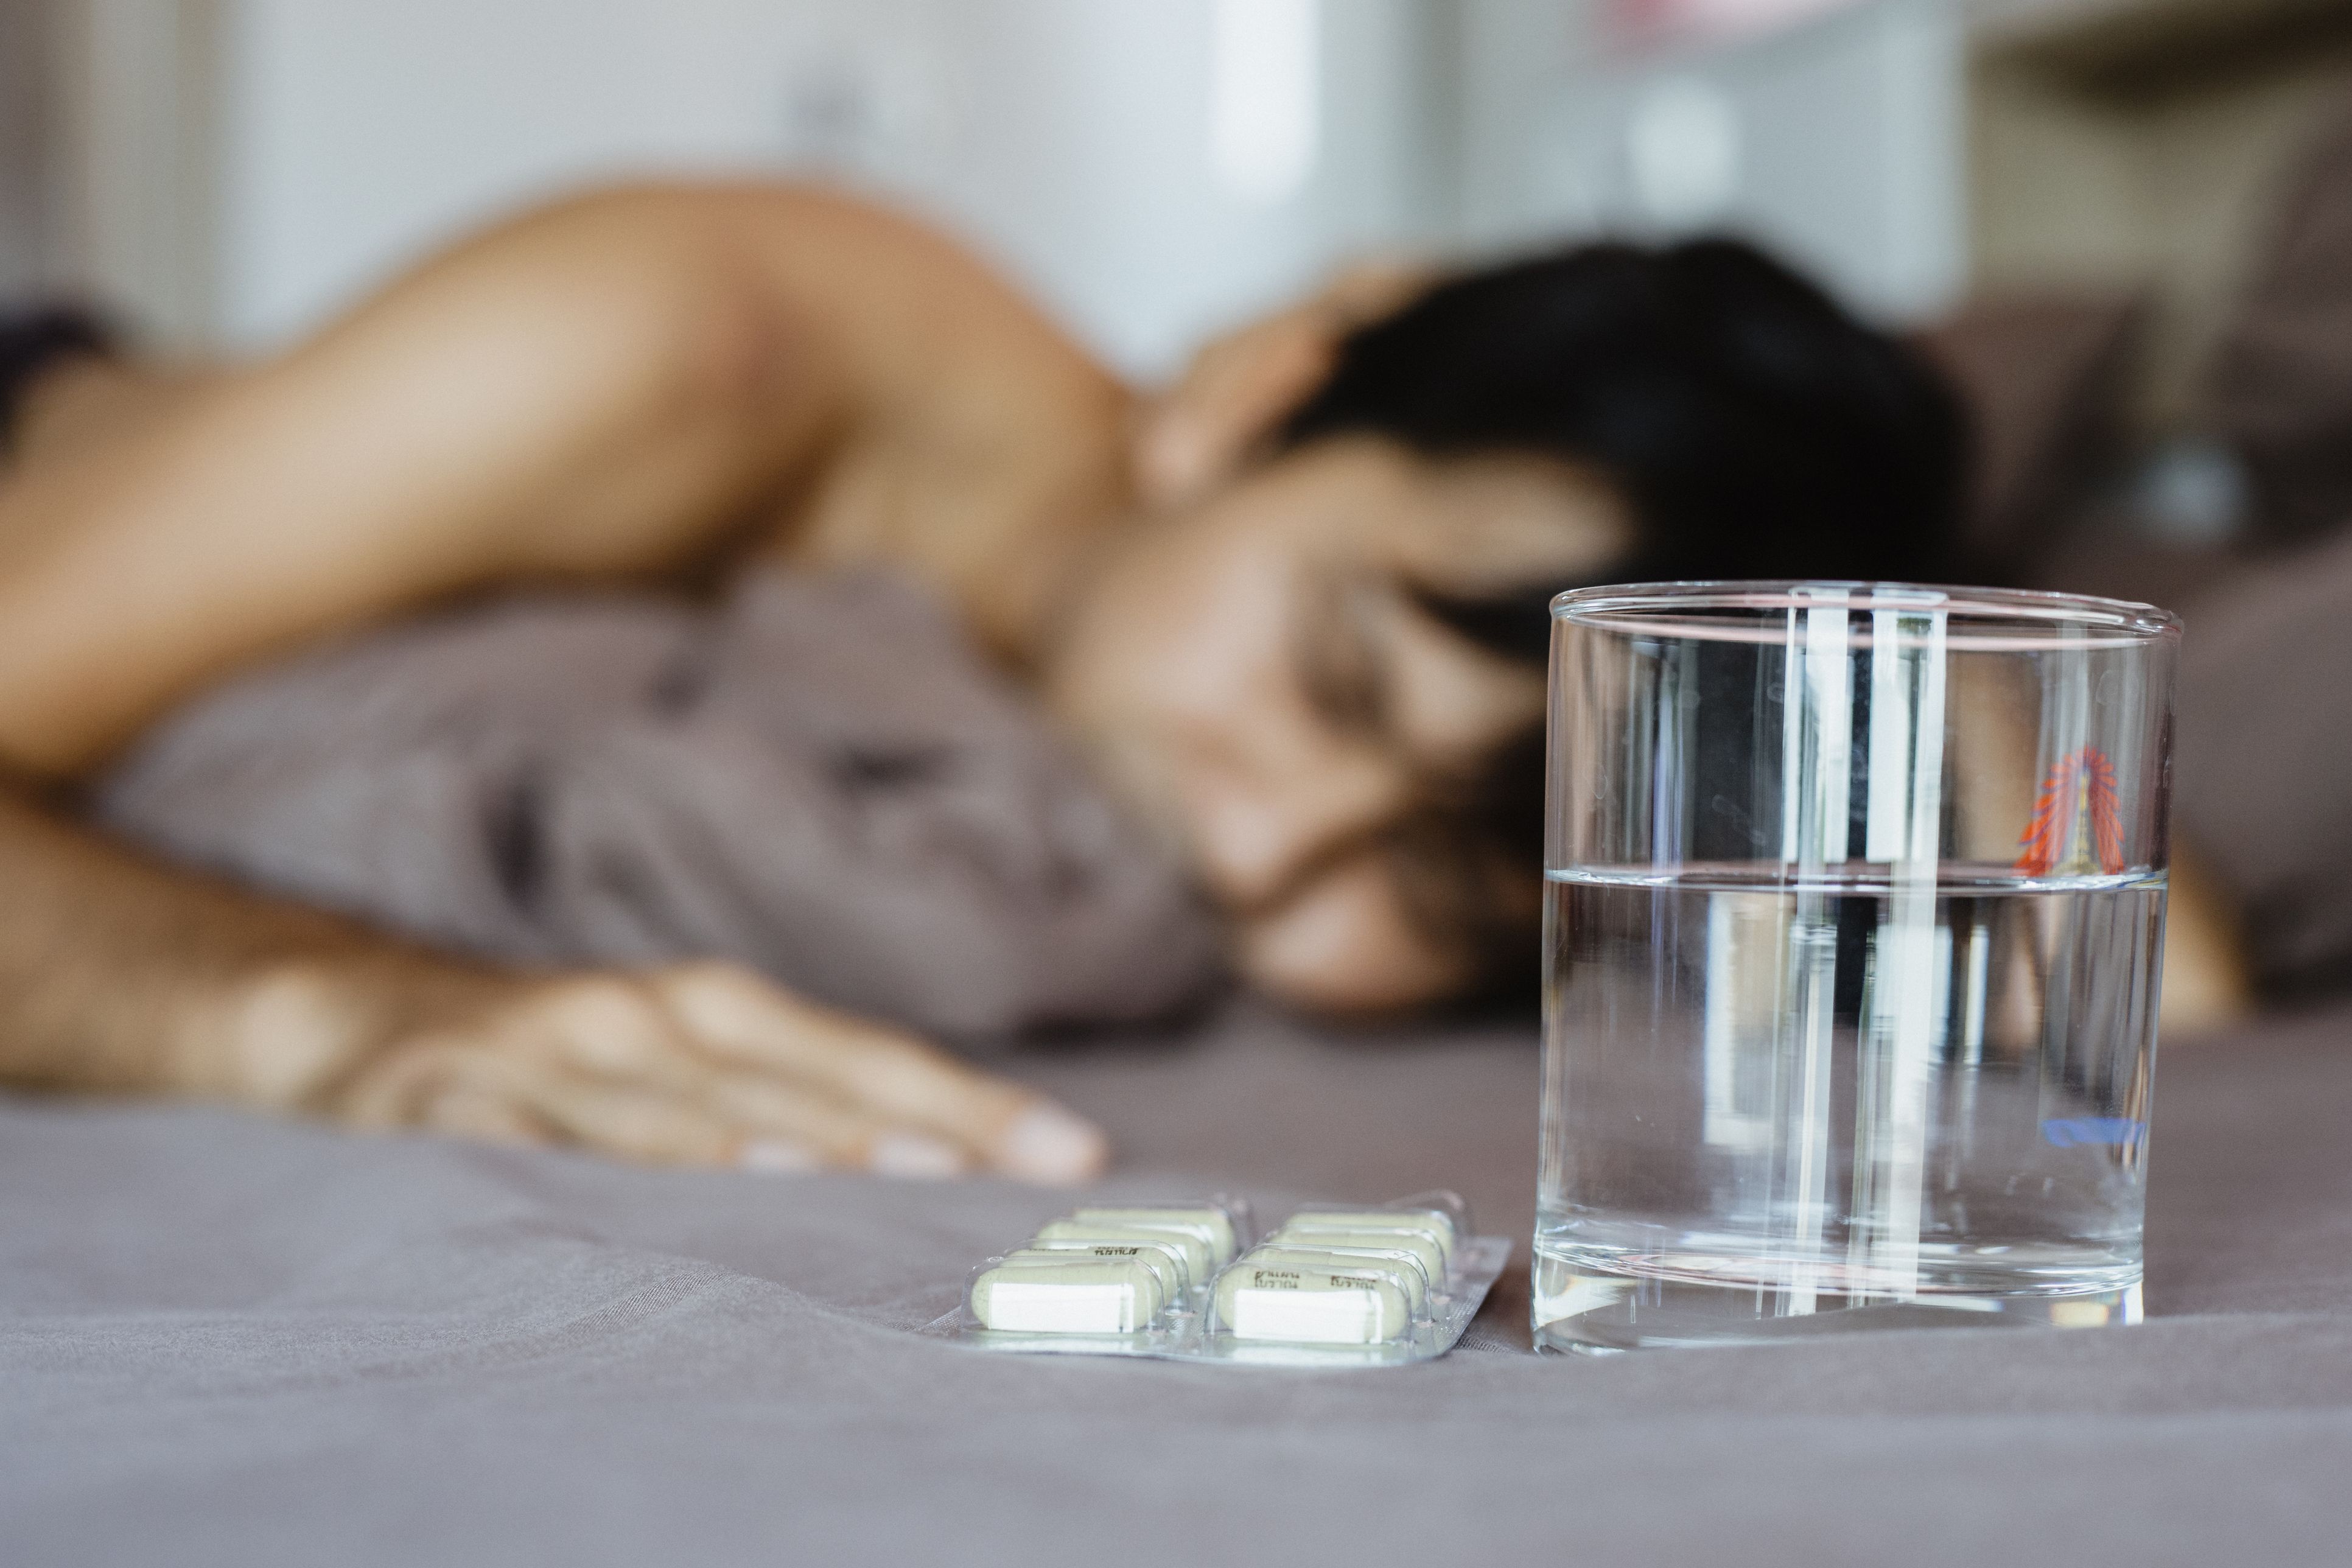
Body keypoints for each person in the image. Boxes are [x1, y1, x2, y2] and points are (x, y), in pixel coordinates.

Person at [0, 181, 2087, 1181]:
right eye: (1338, 681)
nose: (1267, 850)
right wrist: (330, 1015)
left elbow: (2124, 1011)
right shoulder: (703, 352)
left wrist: (1948, 635)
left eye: (1438, 897)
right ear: (1268, 389)